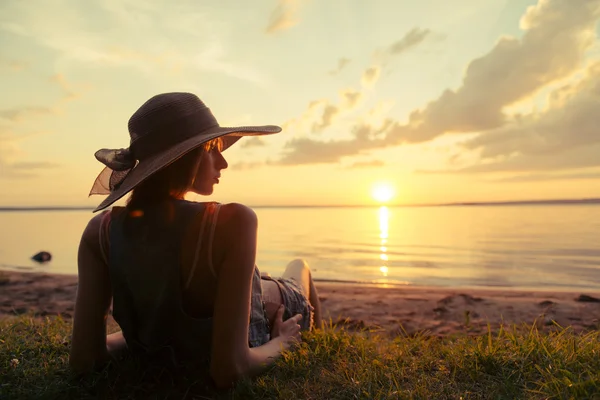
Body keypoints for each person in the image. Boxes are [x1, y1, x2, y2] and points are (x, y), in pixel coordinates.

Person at [69, 92, 322, 388]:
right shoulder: (232, 221)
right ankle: (324, 334)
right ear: (184, 158)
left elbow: (85, 361)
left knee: (262, 282)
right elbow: (230, 370)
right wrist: (284, 342)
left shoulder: (99, 232)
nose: (223, 162)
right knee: (299, 266)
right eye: (213, 148)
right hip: (262, 317)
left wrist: (126, 341)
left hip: (218, 310)